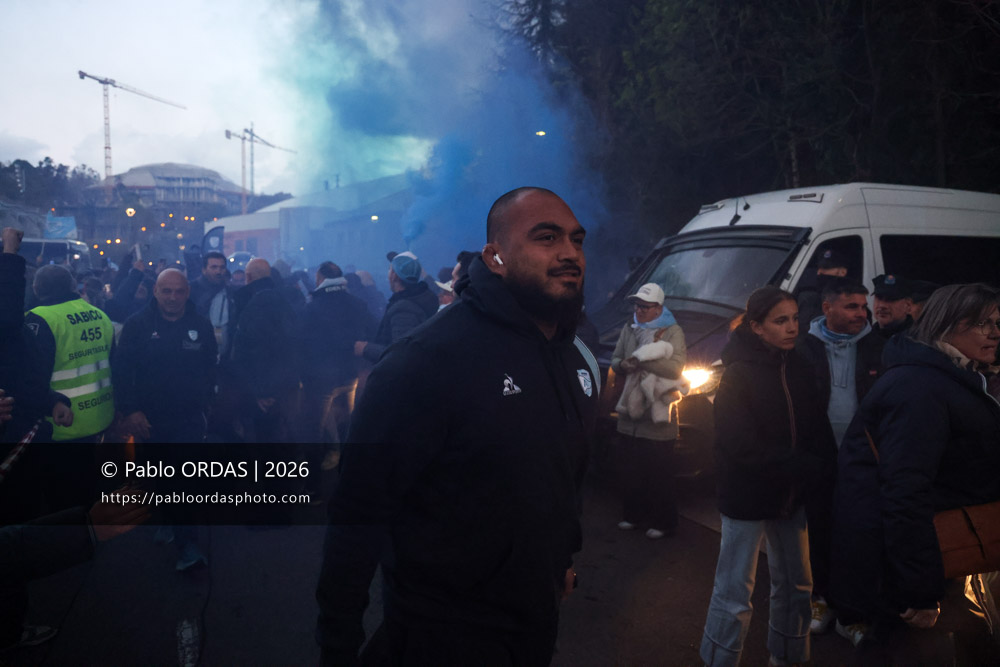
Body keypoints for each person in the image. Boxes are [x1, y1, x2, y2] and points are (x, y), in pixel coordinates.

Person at [316, 187, 598, 665]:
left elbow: (560, 474)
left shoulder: (573, 354)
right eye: (547, 237)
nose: (570, 252)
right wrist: (337, 647)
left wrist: (559, 561)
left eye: (577, 239)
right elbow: (357, 516)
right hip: (441, 635)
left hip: (535, 620)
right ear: (495, 257)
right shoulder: (426, 362)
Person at [830, 283, 1000, 665]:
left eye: (997, 322)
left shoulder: (953, 376)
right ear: (946, 325)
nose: (995, 332)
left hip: (939, 550)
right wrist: (919, 590)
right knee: (912, 649)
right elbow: (905, 491)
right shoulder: (919, 388)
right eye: (982, 323)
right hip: (920, 558)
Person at [700, 286, 836, 667]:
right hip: (747, 496)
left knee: (797, 584)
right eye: (780, 321)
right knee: (734, 591)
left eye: (795, 318)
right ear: (757, 327)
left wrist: (825, 468)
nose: (792, 328)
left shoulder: (799, 367)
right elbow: (738, 445)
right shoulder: (737, 374)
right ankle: (720, 660)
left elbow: (816, 426)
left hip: (791, 495)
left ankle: (789, 656)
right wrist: (803, 465)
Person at [795, 278, 885, 639]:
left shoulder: (878, 347)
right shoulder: (802, 348)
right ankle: (821, 598)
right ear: (827, 307)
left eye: (863, 306)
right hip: (818, 457)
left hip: (863, 460)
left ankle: (852, 611)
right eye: (851, 306)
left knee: (856, 535)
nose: (861, 314)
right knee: (818, 530)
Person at [610, 282, 687, 539]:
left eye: (645, 306)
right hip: (628, 415)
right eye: (637, 305)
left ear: (658, 308)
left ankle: (664, 522)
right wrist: (623, 365)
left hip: (657, 418)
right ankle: (633, 516)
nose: (639, 310)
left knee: (659, 474)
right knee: (631, 471)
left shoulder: (673, 332)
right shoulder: (629, 328)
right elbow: (616, 359)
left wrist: (642, 361)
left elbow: (676, 368)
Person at [221, 258, 298, 442]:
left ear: (248, 277)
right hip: (285, 384)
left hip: (260, 388)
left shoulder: (253, 304)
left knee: (262, 438)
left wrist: (262, 392)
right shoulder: (285, 300)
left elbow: (255, 350)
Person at [297, 261, 373, 446]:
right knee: (347, 426)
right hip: (350, 374)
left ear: (321, 279)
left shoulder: (313, 307)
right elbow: (372, 332)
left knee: (314, 430)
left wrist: (302, 374)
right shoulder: (358, 304)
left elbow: (302, 342)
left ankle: (315, 463)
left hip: (321, 377)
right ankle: (348, 461)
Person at [354, 251, 438, 365]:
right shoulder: (424, 297)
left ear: (394, 276)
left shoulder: (403, 310)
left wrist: (366, 349)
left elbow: (402, 354)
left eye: (389, 269)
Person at [796, 249, 849, 337]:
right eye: (819, 268)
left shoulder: (853, 302)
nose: (819, 272)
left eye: (826, 268)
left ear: (842, 272)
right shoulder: (808, 297)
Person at [871, 274, 914, 339]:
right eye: (879, 298)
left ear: (908, 305)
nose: (882, 305)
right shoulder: (864, 338)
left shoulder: (920, 339)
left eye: (891, 299)